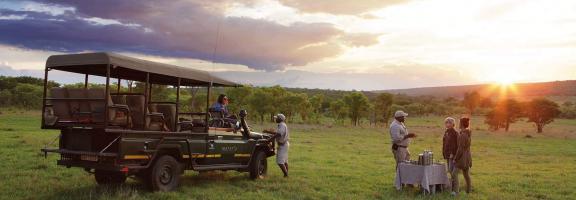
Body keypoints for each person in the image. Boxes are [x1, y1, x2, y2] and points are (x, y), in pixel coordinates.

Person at [454, 117, 472, 194]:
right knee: (466, 174)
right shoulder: (468, 133)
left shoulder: (462, 135)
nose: (458, 124)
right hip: (468, 156)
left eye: (459, 123)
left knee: (454, 174)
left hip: (462, 157)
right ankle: (468, 190)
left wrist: (455, 158)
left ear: (461, 124)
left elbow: (460, 149)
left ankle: (456, 191)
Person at [442, 117, 459, 194]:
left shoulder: (455, 133)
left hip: (452, 155)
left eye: (449, 123)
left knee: (452, 172)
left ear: (453, 124)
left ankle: (455, 190)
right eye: (446, 123)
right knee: (450, 171)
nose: (447, 124)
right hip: (447, 154)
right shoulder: (446, 132)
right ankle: (452, 189)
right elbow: (445, 143)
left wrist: (452, 153)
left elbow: (455, 145)